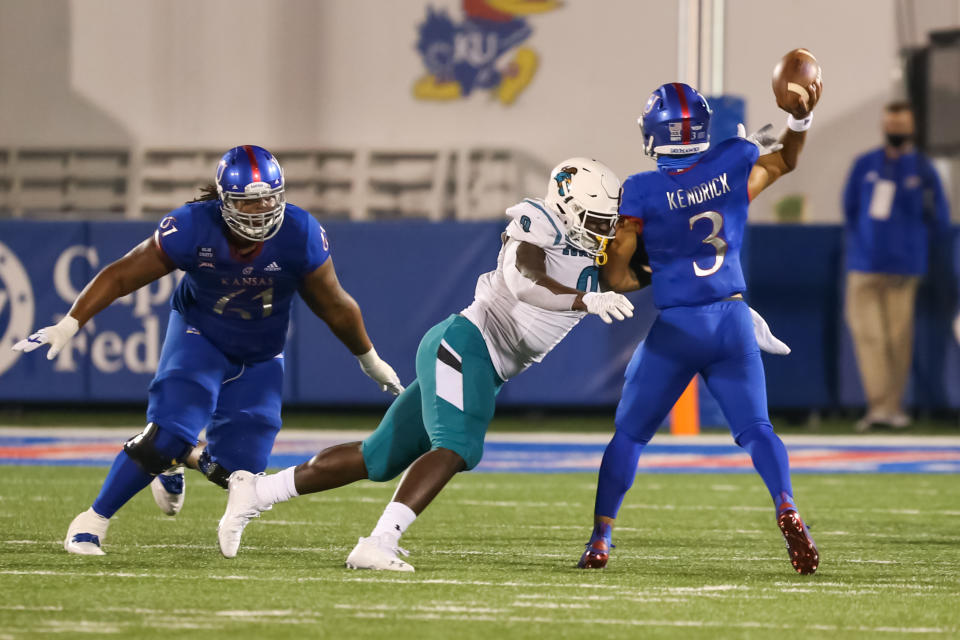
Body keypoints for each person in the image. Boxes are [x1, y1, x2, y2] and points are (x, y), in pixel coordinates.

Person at [214, 157, 791, 571]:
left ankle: (257, 492)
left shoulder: (609, 251)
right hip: (464, 344)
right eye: (593, 220)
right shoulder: (536, 226)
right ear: (565, 208)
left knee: (378, 457)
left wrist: (742, 315)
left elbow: (691, 284)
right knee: (460, 447)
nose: (603, 231)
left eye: (608, 221)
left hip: (482, 362)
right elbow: (525, 283)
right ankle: (378, 543)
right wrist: (583, 298)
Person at [12, 145, 404, 555]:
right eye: (248, 202)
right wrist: (70, 322)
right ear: (224, 202)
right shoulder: (192, 227)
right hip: (200, 336)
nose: (261, 209)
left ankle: (180, 455)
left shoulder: (299, 233)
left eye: (269, 198)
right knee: (164, 435)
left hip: (261, 354)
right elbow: (122, 274)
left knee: (241, 475)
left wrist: (368, 358)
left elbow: (334, 304)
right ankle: (92, 520)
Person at [577, 80, 823, 575]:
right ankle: (787, 506)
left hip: (678, 328)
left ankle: (601, 538)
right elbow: (785, 161)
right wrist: (799, 120)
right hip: (731, 319)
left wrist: (649, 265)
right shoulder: (733, 159)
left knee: (629, 435)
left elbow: (617, 277)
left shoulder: (641, 190)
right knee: (757, 429)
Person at [843, 101, 950, 432]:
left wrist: (913, 245)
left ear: (912, 130)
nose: (896, 133)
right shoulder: (865, 165)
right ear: (883, 127)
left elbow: (939, 219)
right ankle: (878, 407)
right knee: (868, 336)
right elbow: (850, 208)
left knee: (898, 338)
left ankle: (892, 407)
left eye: (902, 127)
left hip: (904, 268)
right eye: (892, 126)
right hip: (865, 265)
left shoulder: (923, 169)